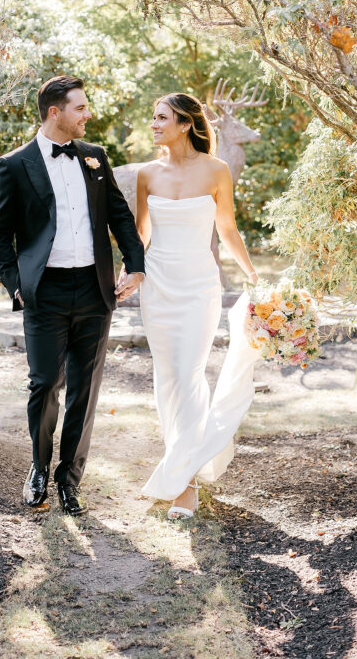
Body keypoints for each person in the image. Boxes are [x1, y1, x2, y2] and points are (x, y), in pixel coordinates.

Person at [0, 75, 145, 516]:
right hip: (46, 292)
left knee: (84, 391)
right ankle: (38, 467)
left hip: (95, 290)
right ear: (55, 112)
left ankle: (69, 481)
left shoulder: (95, 158)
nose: (87, 115)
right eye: (80, 108)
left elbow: (119, 214)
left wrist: (135, 265)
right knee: (43, 385)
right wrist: (15, 283)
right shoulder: (15, 164)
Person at [135, 92, 260, 519]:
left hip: (198, 287)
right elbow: (139, 236)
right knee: (168, 378)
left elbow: (227, 228)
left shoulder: (216, 170)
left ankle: (183, 483)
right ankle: (183, 461)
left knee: (189, 374)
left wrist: (252, 274)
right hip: (157, 286)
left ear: (186, 124)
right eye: (153, 117)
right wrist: (127, 273)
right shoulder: (146, 174)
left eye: (161, 117)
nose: (153, 124)